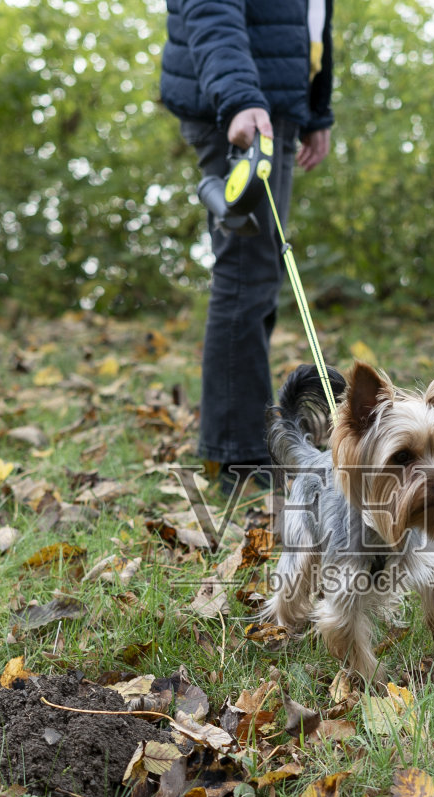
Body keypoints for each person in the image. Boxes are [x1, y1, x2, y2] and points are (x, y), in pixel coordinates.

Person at [160, 0, 335, 494]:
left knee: (257, 277)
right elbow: (209, 8)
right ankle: (240, 458)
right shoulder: (239, 101)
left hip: (274, 105)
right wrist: (237, 96)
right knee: (246, 276)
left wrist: (314, 109)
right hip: (239, 108)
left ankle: (242, 450)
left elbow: (309, 18)